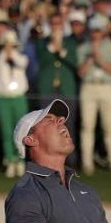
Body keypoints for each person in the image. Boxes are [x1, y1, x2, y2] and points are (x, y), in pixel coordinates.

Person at [76, 16, 111, 175]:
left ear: (102, 31)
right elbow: (81, 73)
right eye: (93, 31)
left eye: (98, 31)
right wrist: (90, 59)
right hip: (89, 87)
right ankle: (87, 164)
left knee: (110, 126)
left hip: (106, 86)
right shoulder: (83, 48)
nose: (95, 34)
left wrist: (100, 60)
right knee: (87, 126)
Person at [35, 12, 79, 163]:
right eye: (53, 24)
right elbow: (42, 61)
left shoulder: (70, 43)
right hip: (47, 89)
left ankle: (70, 160)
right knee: (45, 126)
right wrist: (52, 46)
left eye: (58, 24)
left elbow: (75, 63)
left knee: (68, 125)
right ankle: (46, 159)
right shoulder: (42, 42)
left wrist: (61, 51)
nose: (55, 27)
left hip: (66, 89)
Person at [0, 29, 29, 177]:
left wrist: (11, 51)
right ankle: (9, 161)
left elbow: (21, 63)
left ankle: (20, 161)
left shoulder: (21, 57)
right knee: (6, 131)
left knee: (20, 131)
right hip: (3, 98)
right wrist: (4, 50)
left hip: (18, 98)